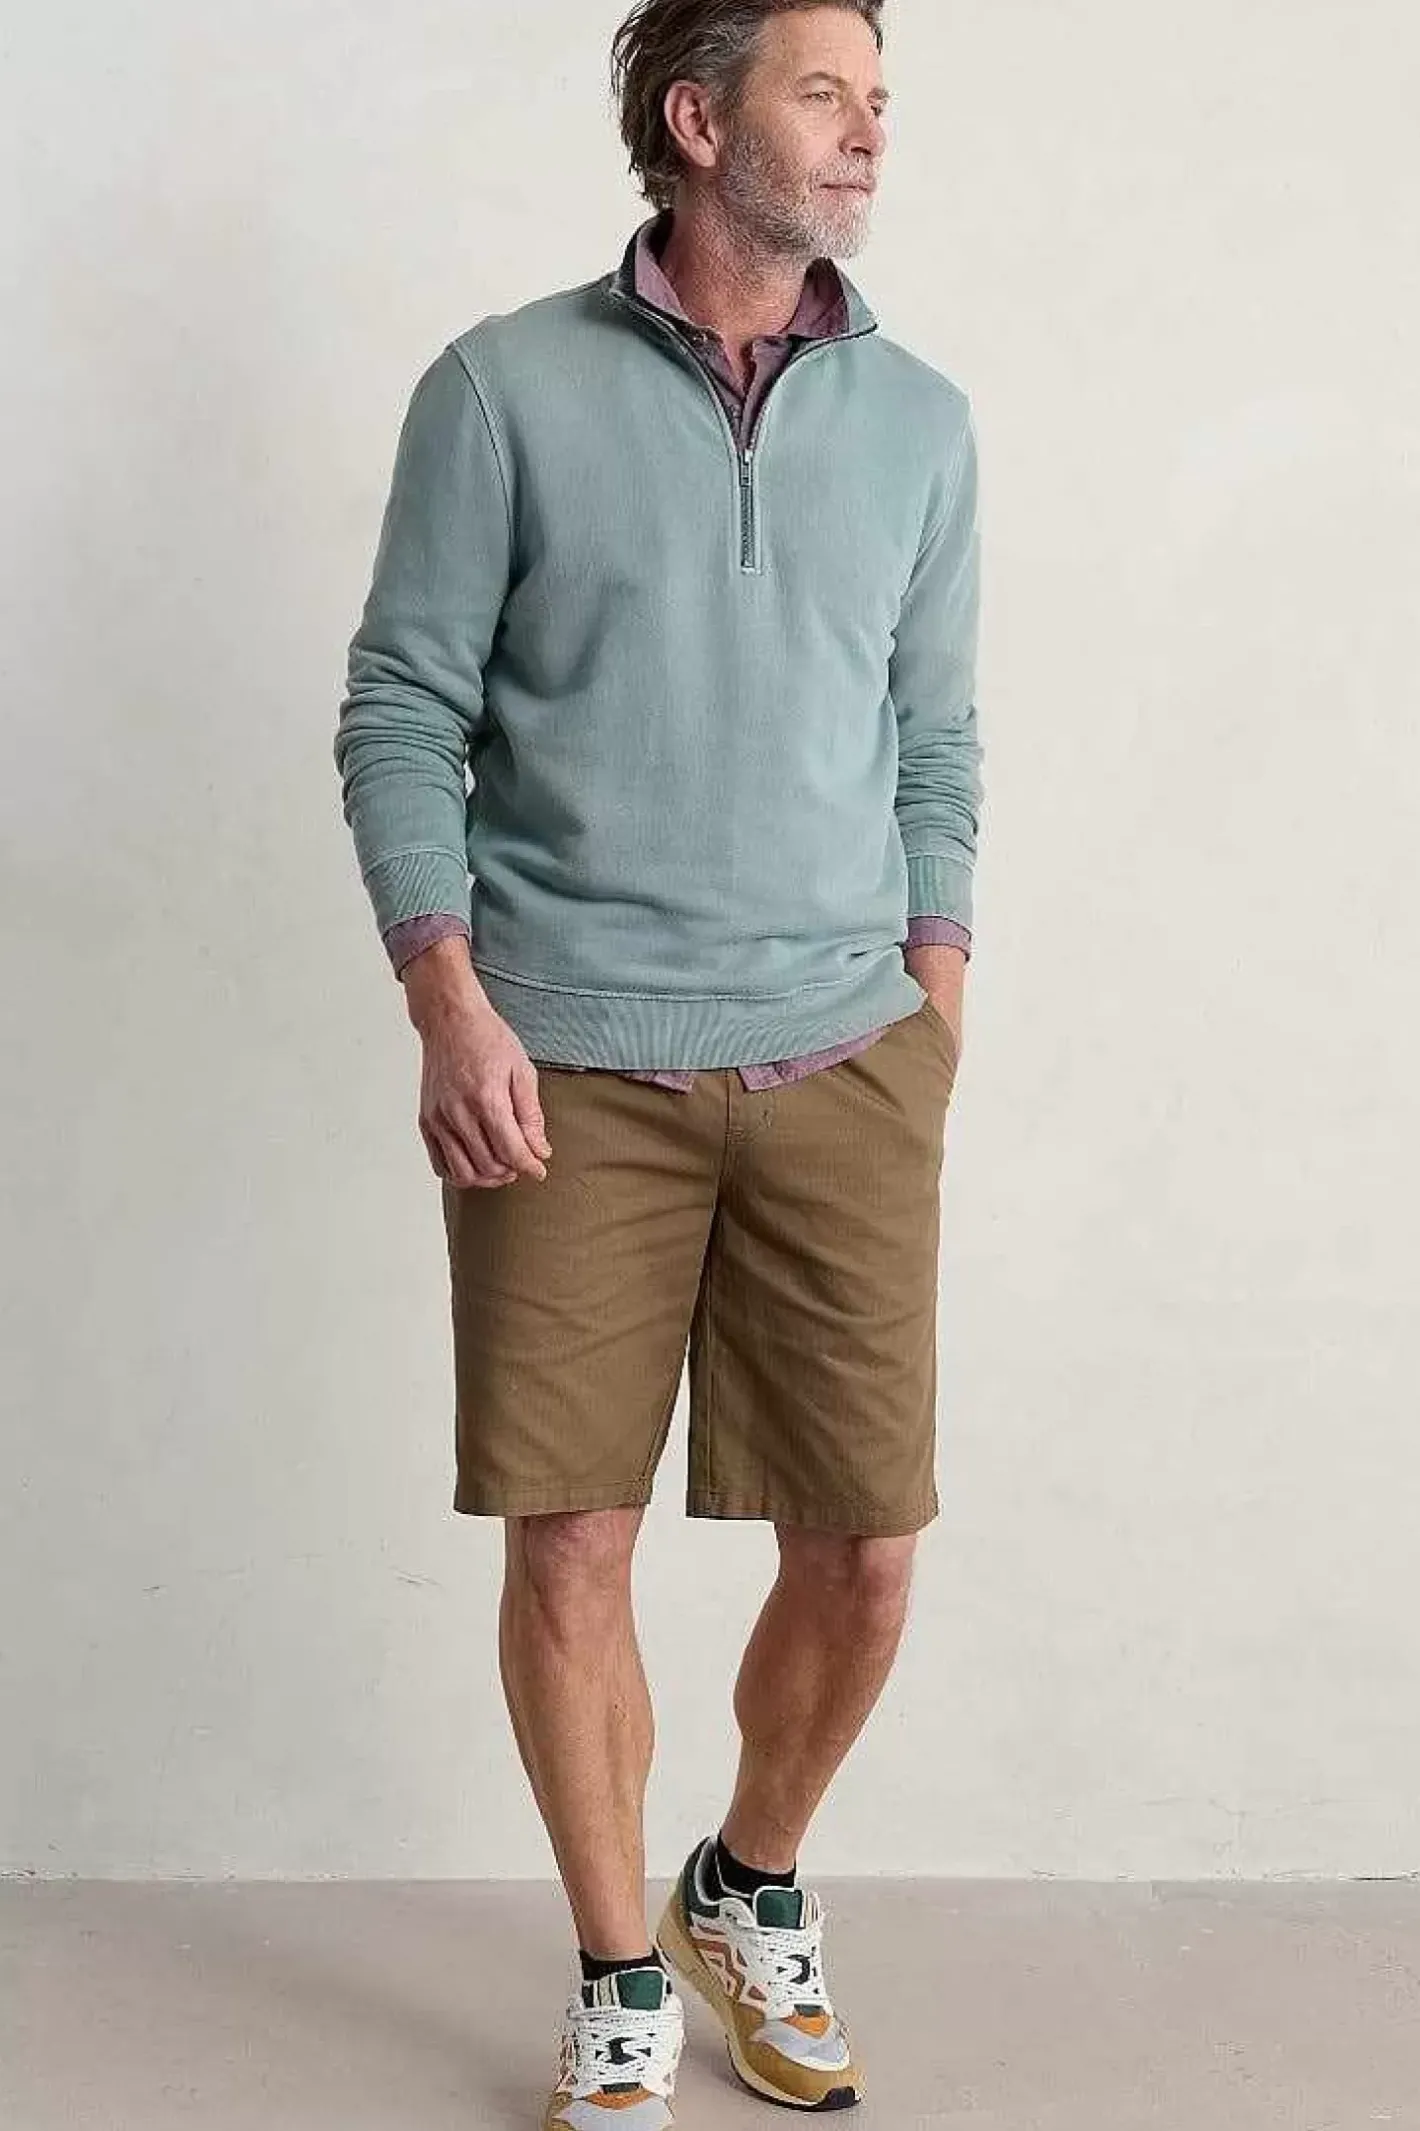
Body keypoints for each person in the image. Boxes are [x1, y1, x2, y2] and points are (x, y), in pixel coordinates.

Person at [333, 1, 984, 2121]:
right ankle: (621, 1963)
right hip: (569, 1064)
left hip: (845, 1056)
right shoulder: (499, 389)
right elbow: (401, 710)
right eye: (824, 92)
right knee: (570, 1542)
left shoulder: (921, 422)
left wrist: (936, 991)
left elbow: (936, 738)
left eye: (878, 100)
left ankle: (747, 1882)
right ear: (698, 122)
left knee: (867, 1547)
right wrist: (448, 996)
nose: (867, 132)